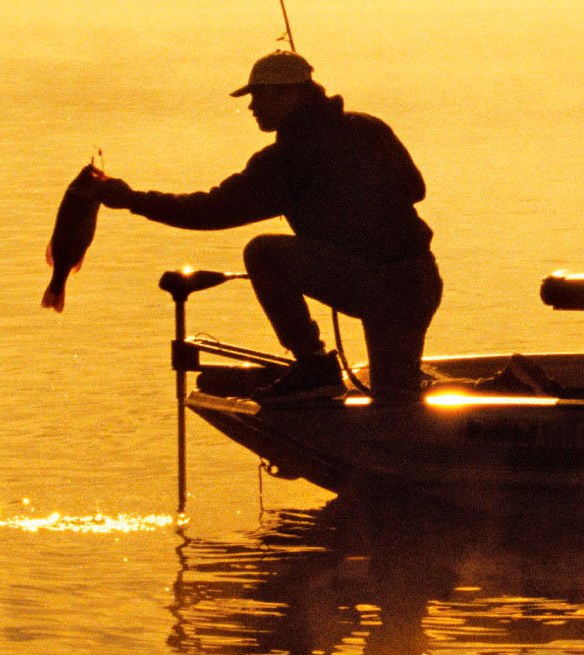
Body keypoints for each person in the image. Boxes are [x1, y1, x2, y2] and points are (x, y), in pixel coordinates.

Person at [97, 50, 441, 404]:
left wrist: (132, 200)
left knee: (263, 253)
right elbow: (416, 188)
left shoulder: (282, 163)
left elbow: (209, 211)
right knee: (395, 401)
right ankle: (343, 389)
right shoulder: (370, 127)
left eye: (259, 96)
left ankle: (314, 366)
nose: (251, 107)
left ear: (289, 94)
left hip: (378, 286)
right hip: (420, 280)